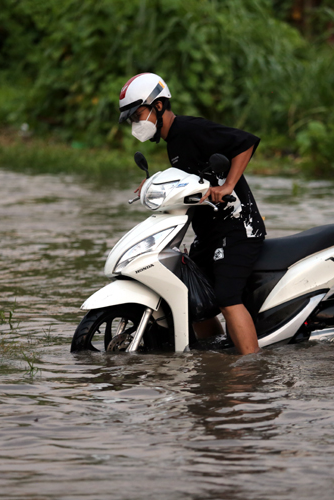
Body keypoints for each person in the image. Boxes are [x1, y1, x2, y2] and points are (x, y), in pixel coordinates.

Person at [117, 73, 266, 355]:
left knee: (226, 298)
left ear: (158, 106)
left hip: (238, 229)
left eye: (139, 114)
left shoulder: (190, 129)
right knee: (193, 298)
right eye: (133, 118)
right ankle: (216, 355)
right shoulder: (175, 143)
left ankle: (250, 372)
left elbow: (245, 142)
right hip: (210, 234)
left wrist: (229, 185)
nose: (137, 123)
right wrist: (153, 186)